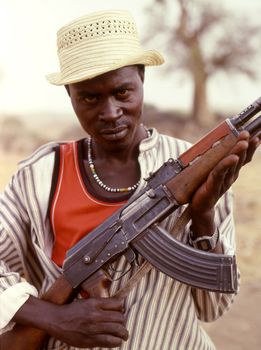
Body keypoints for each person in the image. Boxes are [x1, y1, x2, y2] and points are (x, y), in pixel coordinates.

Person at [0, 9, 259, 350]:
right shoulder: (40, 175)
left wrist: (203, 214)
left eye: (122, 92)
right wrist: (53, 319)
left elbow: (213, 308)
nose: (109, 112)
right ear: (70, 96)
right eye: (90, 97)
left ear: (142, 79)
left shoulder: (202, 167)